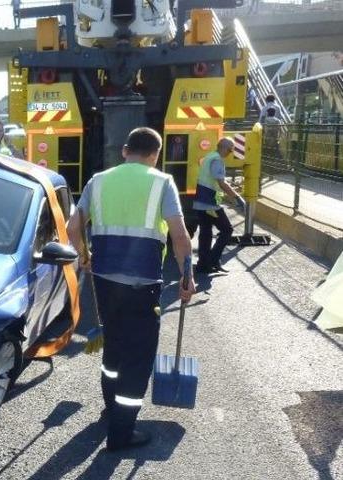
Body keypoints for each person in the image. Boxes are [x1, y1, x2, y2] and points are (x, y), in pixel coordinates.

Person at [67, 127, 195, 452]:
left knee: (114, 346)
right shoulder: (162, 182)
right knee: (138, 359)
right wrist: (187, 275)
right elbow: (180, 236)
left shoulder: (98, 181)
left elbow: (73, 227)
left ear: (125, 150)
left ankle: (111, 408)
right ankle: (122, 433)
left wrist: (84, 256)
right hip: (142, 285)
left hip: (105, 281)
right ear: (155, 154)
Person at [193, 138, 246, 274]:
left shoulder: (210, 156)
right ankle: (213, 260)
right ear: (223, 148)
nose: (230, 153)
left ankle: (203, 264)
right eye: (230, 150)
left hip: (202, 200)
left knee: (206, 233)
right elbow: (221, 183)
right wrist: (236, 197)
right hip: (210, 203)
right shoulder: (217, 160)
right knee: (227, 230)